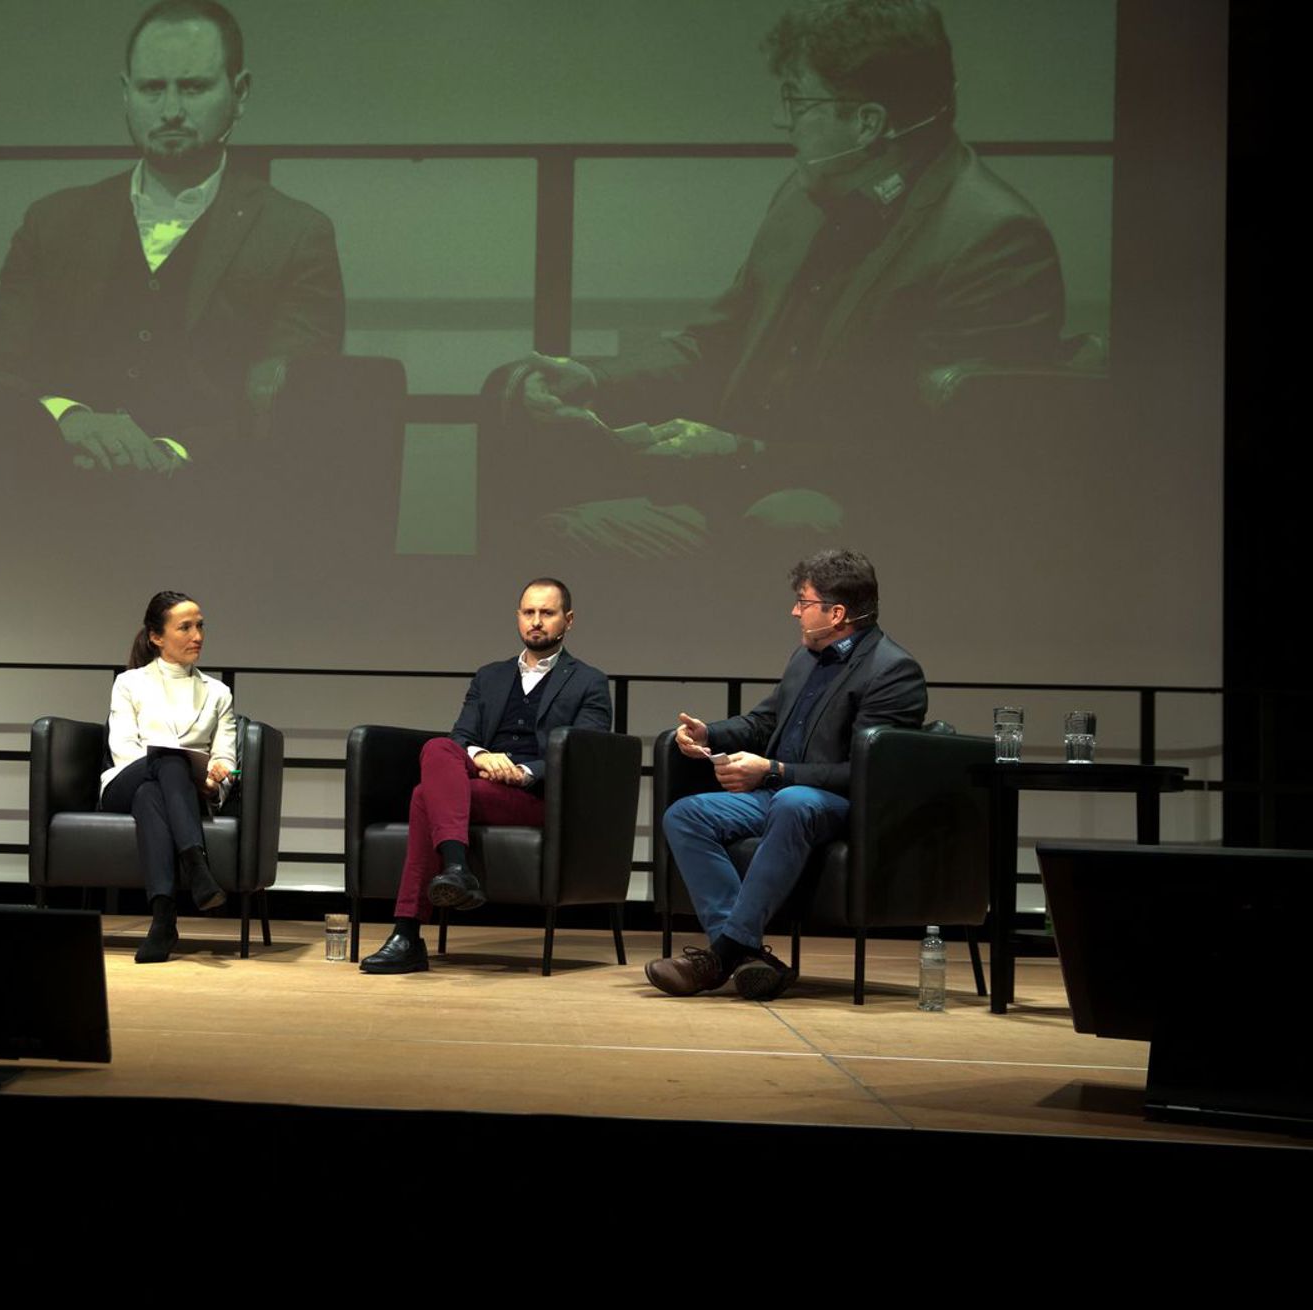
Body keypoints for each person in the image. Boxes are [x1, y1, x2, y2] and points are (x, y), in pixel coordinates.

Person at [510, 0, 1064, 550]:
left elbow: (934, 456)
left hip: (867, 521)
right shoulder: (802, 200)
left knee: (784, 521)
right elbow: (715, 343)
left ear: (867, 123)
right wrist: (596, 379)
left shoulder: (993, 239)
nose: (783, 121)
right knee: (550, 529)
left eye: (799, 101)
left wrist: (742, 452)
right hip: (736, 492)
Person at [0, 0, 343, 481]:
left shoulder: (295, 234)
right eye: (152, 88)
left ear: (240, 93)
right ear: (126, 93)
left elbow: (291, 406)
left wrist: (170, 454)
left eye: (193, 87)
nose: (170, 110)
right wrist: (70, 418)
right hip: (53, 491)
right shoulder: (51, 224)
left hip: (212, 504)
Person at [650, 548, 925, 1000]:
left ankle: (721, 955)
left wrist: (775, 771)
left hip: (843, 805)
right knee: (685, 814)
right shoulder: (806, 657)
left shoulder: (892, 671)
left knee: (794, 801)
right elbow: (764, 723)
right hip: (778, 795)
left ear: (837, 614)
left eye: (804, 601)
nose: (795, 611)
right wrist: (708, 732)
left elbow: (868, 771)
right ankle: (744, 952)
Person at [360, 579, 613, 975]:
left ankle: (408, 932)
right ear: (518, 617)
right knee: (438, 748)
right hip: (482, 777)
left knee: (425, 797)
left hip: (536, 796)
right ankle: (456, 871)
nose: (536, 621)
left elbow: (585, 752)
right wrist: (482, 757)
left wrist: (525, 772)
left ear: (568, 620)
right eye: (529, 612)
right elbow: (462, 737)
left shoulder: (588, 681)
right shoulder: (490, 676)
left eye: (547, 613)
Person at [99, 590, 239, 963]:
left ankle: (163, 920)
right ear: (156, 637)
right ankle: (196, 865)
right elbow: (124, 748)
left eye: (200, 626)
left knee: (152, 795)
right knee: (168, 760)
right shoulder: (129, 683)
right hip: (125, 781)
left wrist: (216, 778)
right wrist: (170, 768)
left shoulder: (218, 693)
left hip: (174, 791)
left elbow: (225, 755)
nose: (198, 636)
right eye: (185, 627)